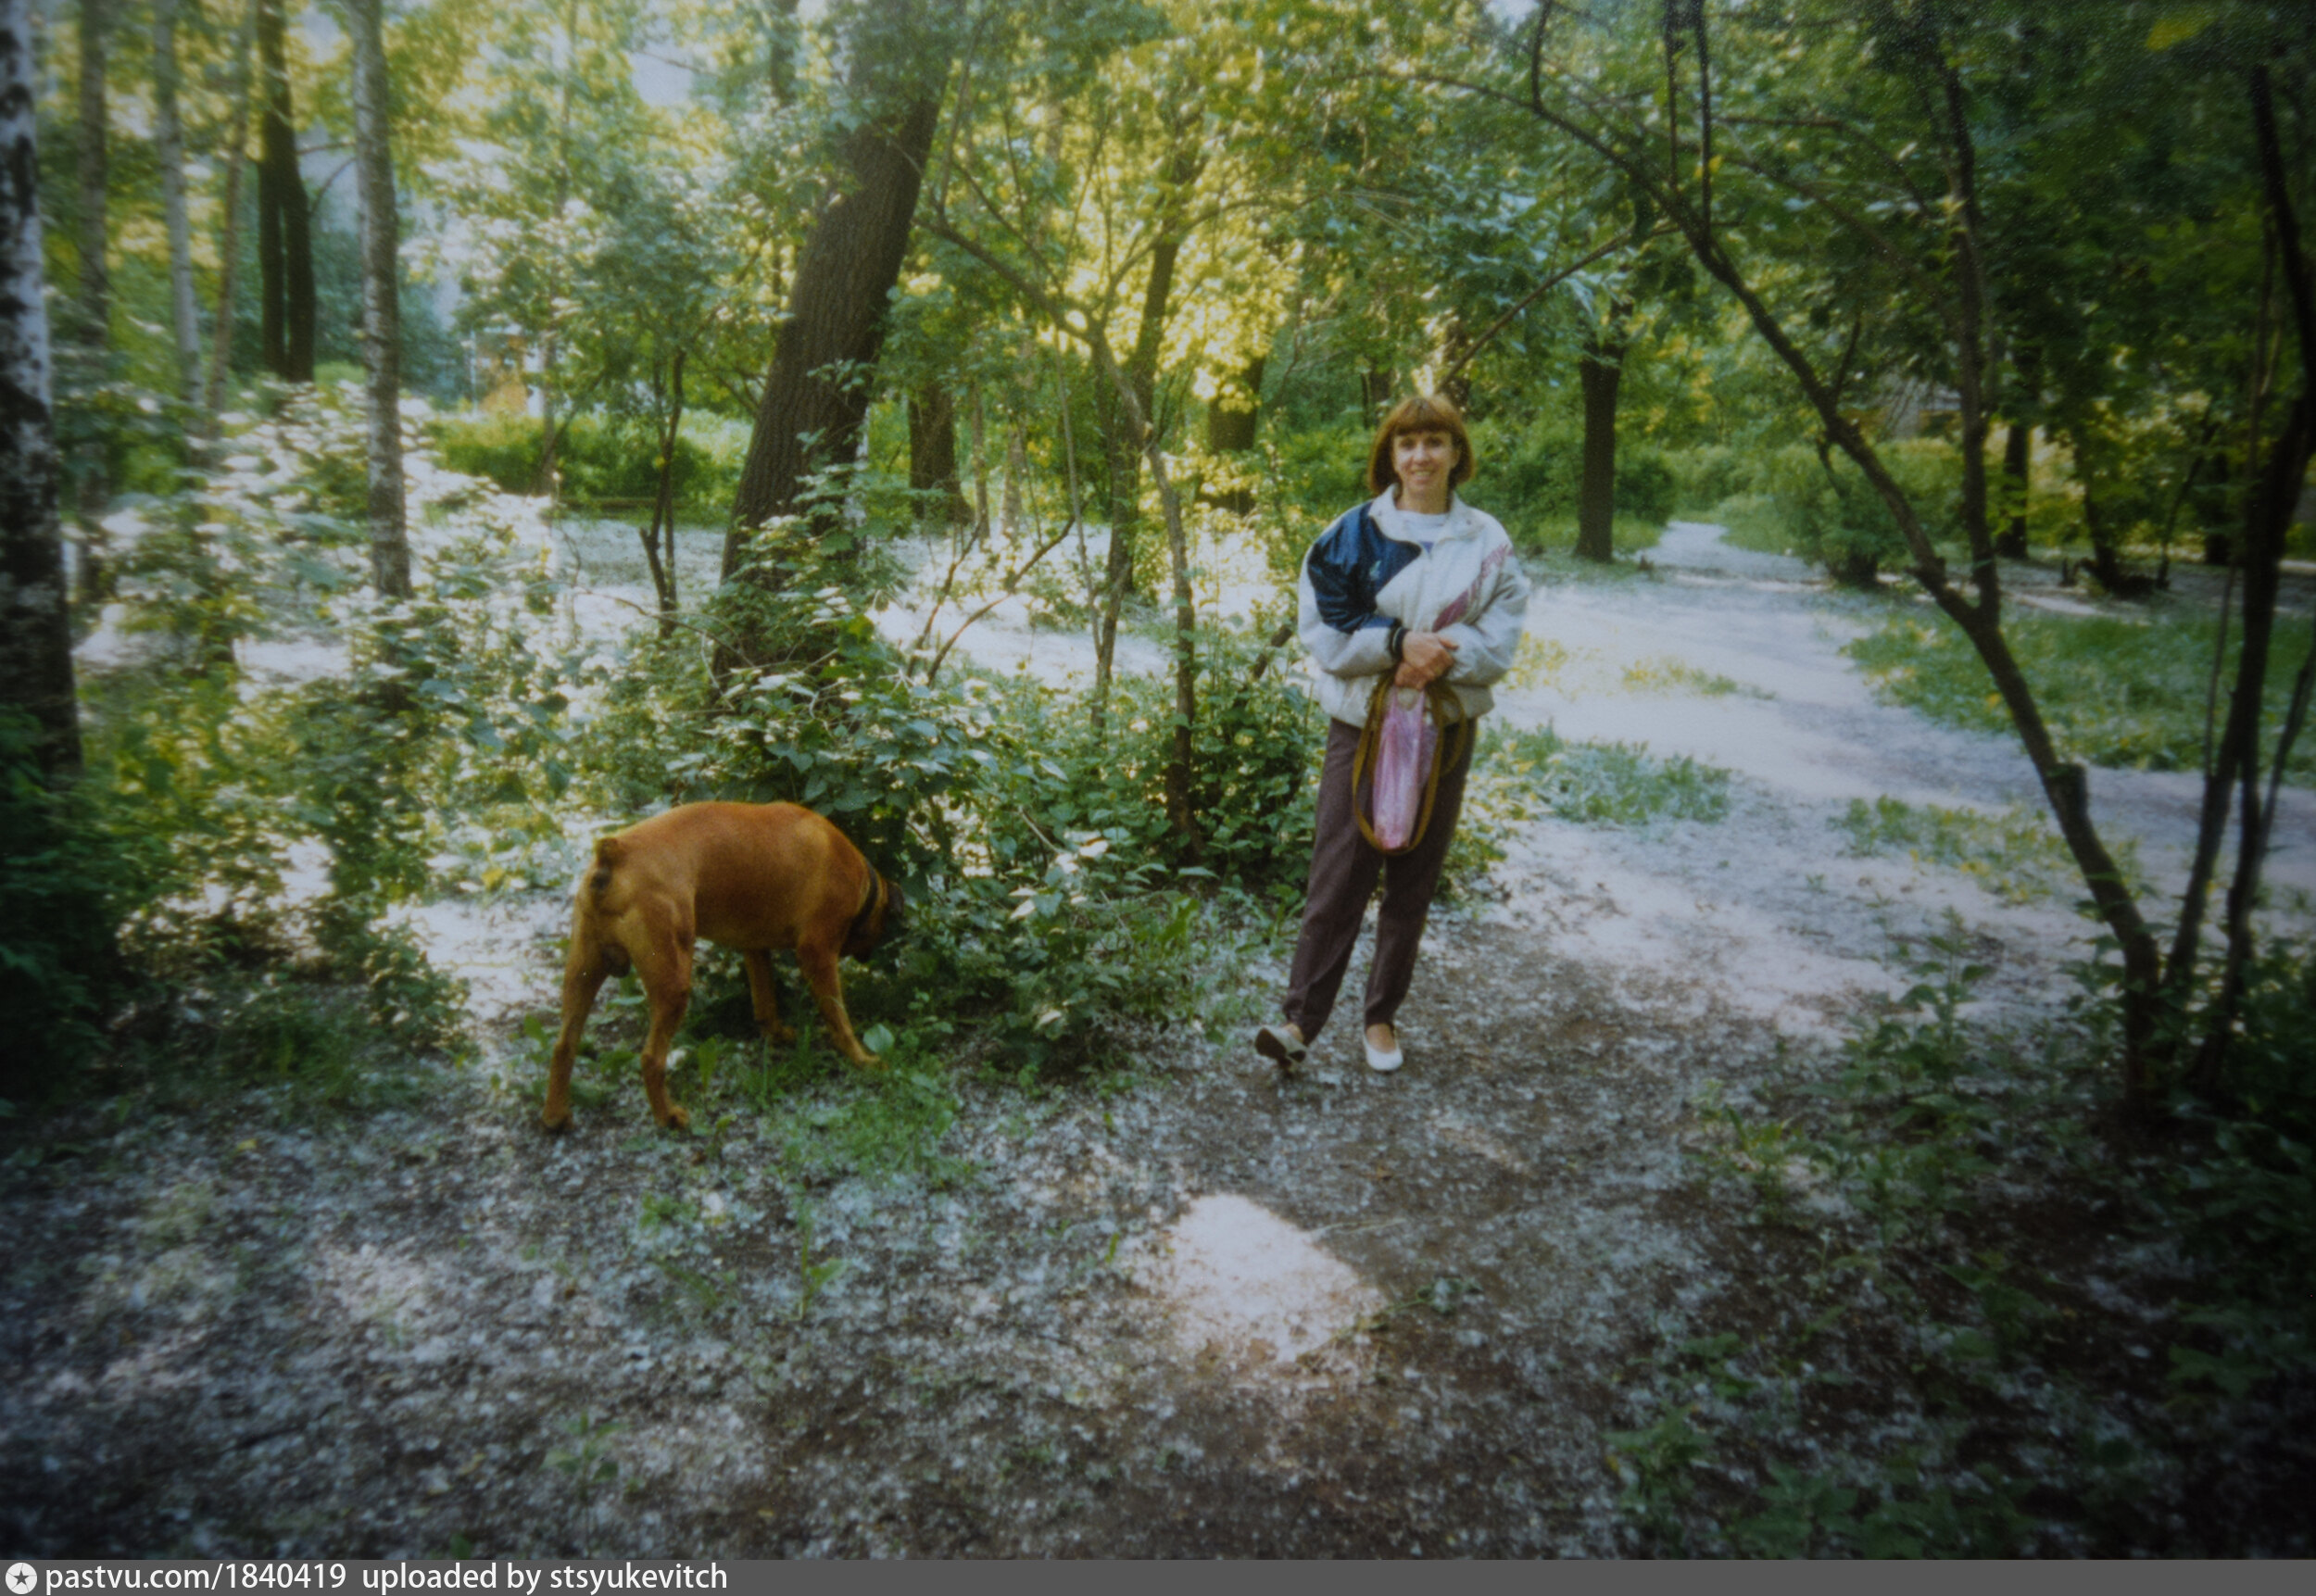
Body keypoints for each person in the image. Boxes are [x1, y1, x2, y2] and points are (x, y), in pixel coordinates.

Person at [1255, 394, 1531, 1074]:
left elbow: (1499, 640)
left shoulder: (1488, 543)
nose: (1420, 456)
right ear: (1391, 454)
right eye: (1408, 443)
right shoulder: (1351, 533)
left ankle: (1380, 1018)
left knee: (1413, 878)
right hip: (1363, 726)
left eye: (1435, 442)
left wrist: (1432, 658)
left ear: (1457, 453)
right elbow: (1326, 630)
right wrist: (1397, 645)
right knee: (1338, 873)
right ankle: (1299, 1021)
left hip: (1445, 727)